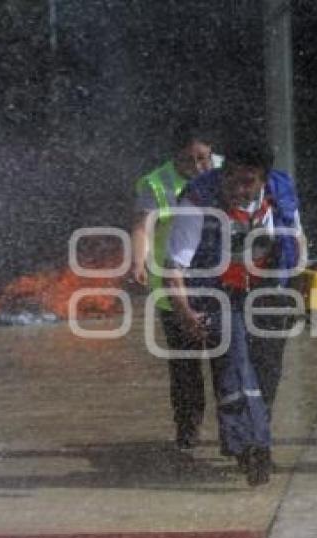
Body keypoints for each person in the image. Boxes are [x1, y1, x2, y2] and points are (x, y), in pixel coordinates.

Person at [165, 141, 304, 486]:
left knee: (267, 372)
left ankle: (249, 435)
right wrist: (184, 312)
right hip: (216, 293)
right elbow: (174, 268)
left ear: (263, 181)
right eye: (231, 180)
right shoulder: (197, 199)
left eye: (248, 182)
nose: (238, 189)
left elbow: (296, 240)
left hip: (269, 291)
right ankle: (253, 448)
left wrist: (301, 291)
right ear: (221, 174)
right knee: (236, 365)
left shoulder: (281, 191)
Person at [131, 125, 223, 450]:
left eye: (204, 158)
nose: (199, 167)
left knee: (227, 363)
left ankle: (234, 431)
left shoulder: (230, 173)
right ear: (174, 158)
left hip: (221, 284)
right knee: (186, 364)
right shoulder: (157, 184)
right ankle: (188, 429)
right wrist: (138, 262)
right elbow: (143, 226)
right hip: (175, 288)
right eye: (189, 161)